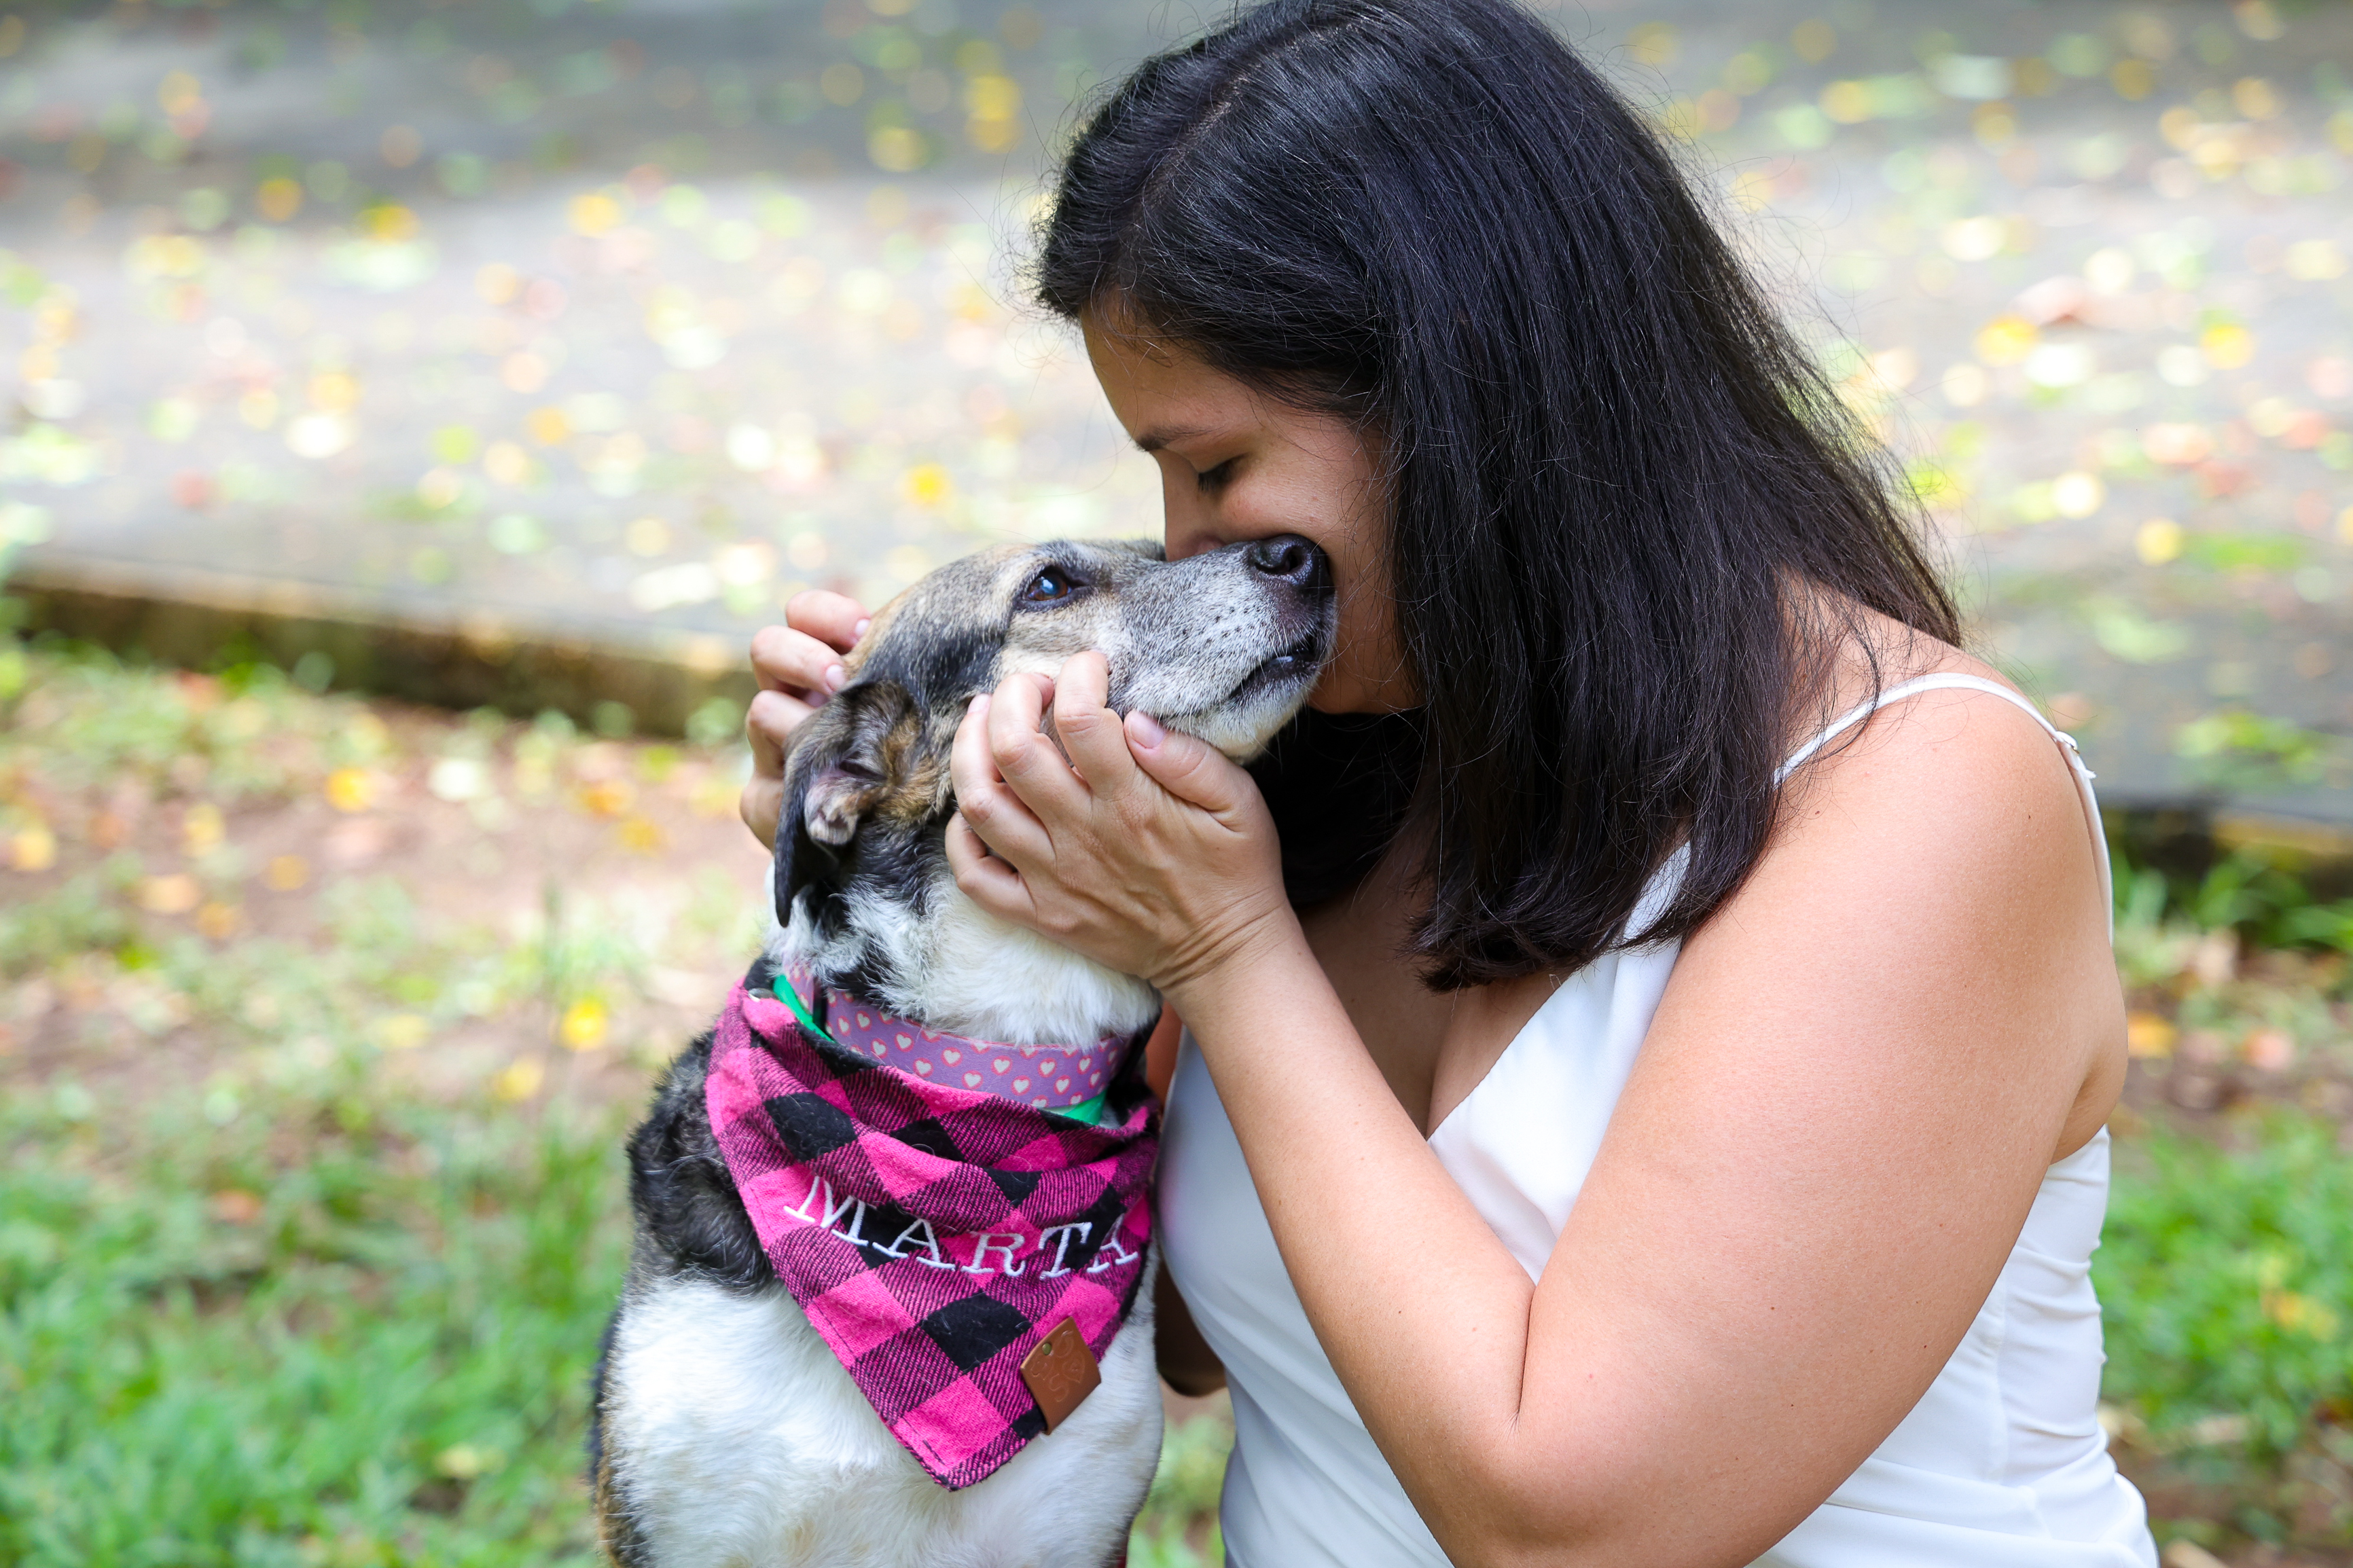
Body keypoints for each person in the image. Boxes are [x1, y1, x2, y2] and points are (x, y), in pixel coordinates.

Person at [738, 1, 2156, 1563]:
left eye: (1215, 468)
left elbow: (1571, 1525)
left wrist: (1224, 953)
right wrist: (920, 915)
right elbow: (1183, 1340)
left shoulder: (1921, 799)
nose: (1193, 545)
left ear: (1462, 400)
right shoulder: (1355, 753)